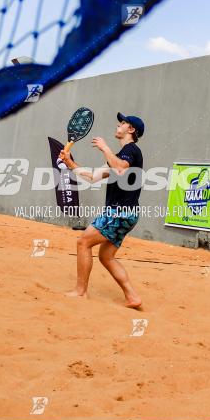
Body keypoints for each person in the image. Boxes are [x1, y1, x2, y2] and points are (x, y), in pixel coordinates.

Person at [60, 112, 144, 308]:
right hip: (127, 214)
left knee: (83, 242)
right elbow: (93, 177)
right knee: (106, 256)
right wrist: (70, 163)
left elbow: (122, 169)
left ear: (131, 130)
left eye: (122, 123)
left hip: (119, 212)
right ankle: (132, 297)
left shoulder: (132, 150)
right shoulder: (119, 156)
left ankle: (80, 292)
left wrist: (105, 147)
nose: (118, 125)